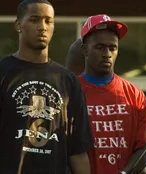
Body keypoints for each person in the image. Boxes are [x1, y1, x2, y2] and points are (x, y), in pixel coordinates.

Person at [0, 0, 93, 173]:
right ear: (19, 24)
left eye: (48, 21)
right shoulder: (3, 73)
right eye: (34, 20)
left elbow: (78, 152)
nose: (42, 27)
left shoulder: (69, 81)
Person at [78, 14, 146, 174]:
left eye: (112, 48)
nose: (107, 54)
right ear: (85, 50)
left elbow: (145, 149)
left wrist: (124, 173)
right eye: (99, 47)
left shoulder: (135, 95)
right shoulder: (70, 91)